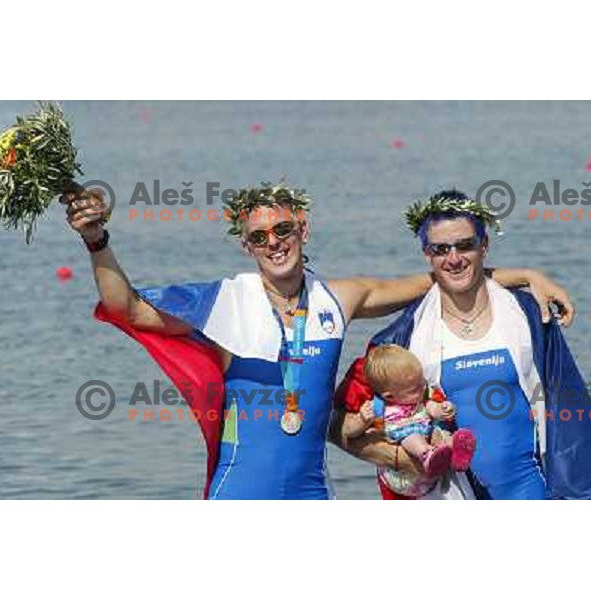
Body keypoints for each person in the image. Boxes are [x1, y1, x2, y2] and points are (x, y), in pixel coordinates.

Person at [62, 181, 574, 499]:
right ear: (246, 245)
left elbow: (446, 275)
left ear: (302, 228)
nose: (273, 243)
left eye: (282, 229)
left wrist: (528, 275)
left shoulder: (339, 299)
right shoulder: (225, 302)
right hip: (239, 492)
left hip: (312, 494)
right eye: (259, 237)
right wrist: (96, 240)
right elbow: (126, 306)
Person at [332, 189, 591, 500]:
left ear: (484, 245)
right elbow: (335, 426)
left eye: (465, 245)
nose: (453, 259)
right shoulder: (401, 338)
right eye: (440, 249)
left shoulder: (530, 316)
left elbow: (571, 410)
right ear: (427, 255)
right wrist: (400, 457)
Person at [342, 343, 476, 498]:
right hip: (402, 478)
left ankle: (455, 450)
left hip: (429, 476)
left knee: (439, 433)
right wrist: (362, 419)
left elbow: (431, 408)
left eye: (422, 382)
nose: (422, 389)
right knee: (412, 436)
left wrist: (443, 410)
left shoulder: (420, 395)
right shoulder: (379, 407)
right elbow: (350, 434)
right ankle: (427, 454)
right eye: (414, 389)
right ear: (389, 396)